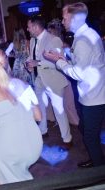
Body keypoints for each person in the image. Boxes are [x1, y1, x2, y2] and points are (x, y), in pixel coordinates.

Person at [44, 2, 105, 168]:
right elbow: (84, 60)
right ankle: (96, 157)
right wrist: (66, 53)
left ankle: (99, 171)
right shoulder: (88, 34)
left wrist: (58, 61)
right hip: (95, 93)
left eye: (64, 18)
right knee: (85, 129)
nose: (62, 22)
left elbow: (78, 73)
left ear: (74, 18)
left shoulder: (83, 40)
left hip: (94, 97)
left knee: (89, 136)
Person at [0, 49, 43, 185]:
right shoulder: (23, 84)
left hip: (8, 147)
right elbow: (38, 116)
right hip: (33, 144)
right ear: (7, 64)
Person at [26, 15, 73, 149]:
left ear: (35, 26)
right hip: (39, 79)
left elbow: (59, 62)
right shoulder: (32, 41)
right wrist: (29, 64)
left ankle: (67, 139)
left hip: (53, 80)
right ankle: (43, 131)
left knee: (59, 110)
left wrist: (38, 63)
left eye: (29, 27)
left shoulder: (54, 39)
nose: (27, 29)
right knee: (40, 106)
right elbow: (32, 57)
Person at [46, 19, 79, 126]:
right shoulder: (47, 45)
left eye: (50, 32)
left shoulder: (63, 45)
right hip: (53, 75)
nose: (48, 34)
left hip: (65, 74)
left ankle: (74, 121)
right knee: (56, 101)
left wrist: (67, 51)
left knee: (68, 101)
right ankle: (59, 120)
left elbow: (72, 59)